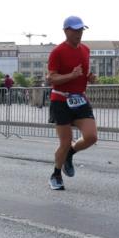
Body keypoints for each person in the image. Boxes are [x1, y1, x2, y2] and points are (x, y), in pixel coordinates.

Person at [46, 16, 99, 191]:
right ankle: (56, 174)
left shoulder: (86, 50)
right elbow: (50, 78)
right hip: (60, 100)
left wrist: (89, 77)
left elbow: (83, 72)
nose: (79, 34)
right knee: (65, 141)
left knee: (91, 137)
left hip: (80, 99)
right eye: (75, 30)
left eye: (81, 30)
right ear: (66, 31)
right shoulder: (57, 52)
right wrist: (71, 76)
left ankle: (70, 154)